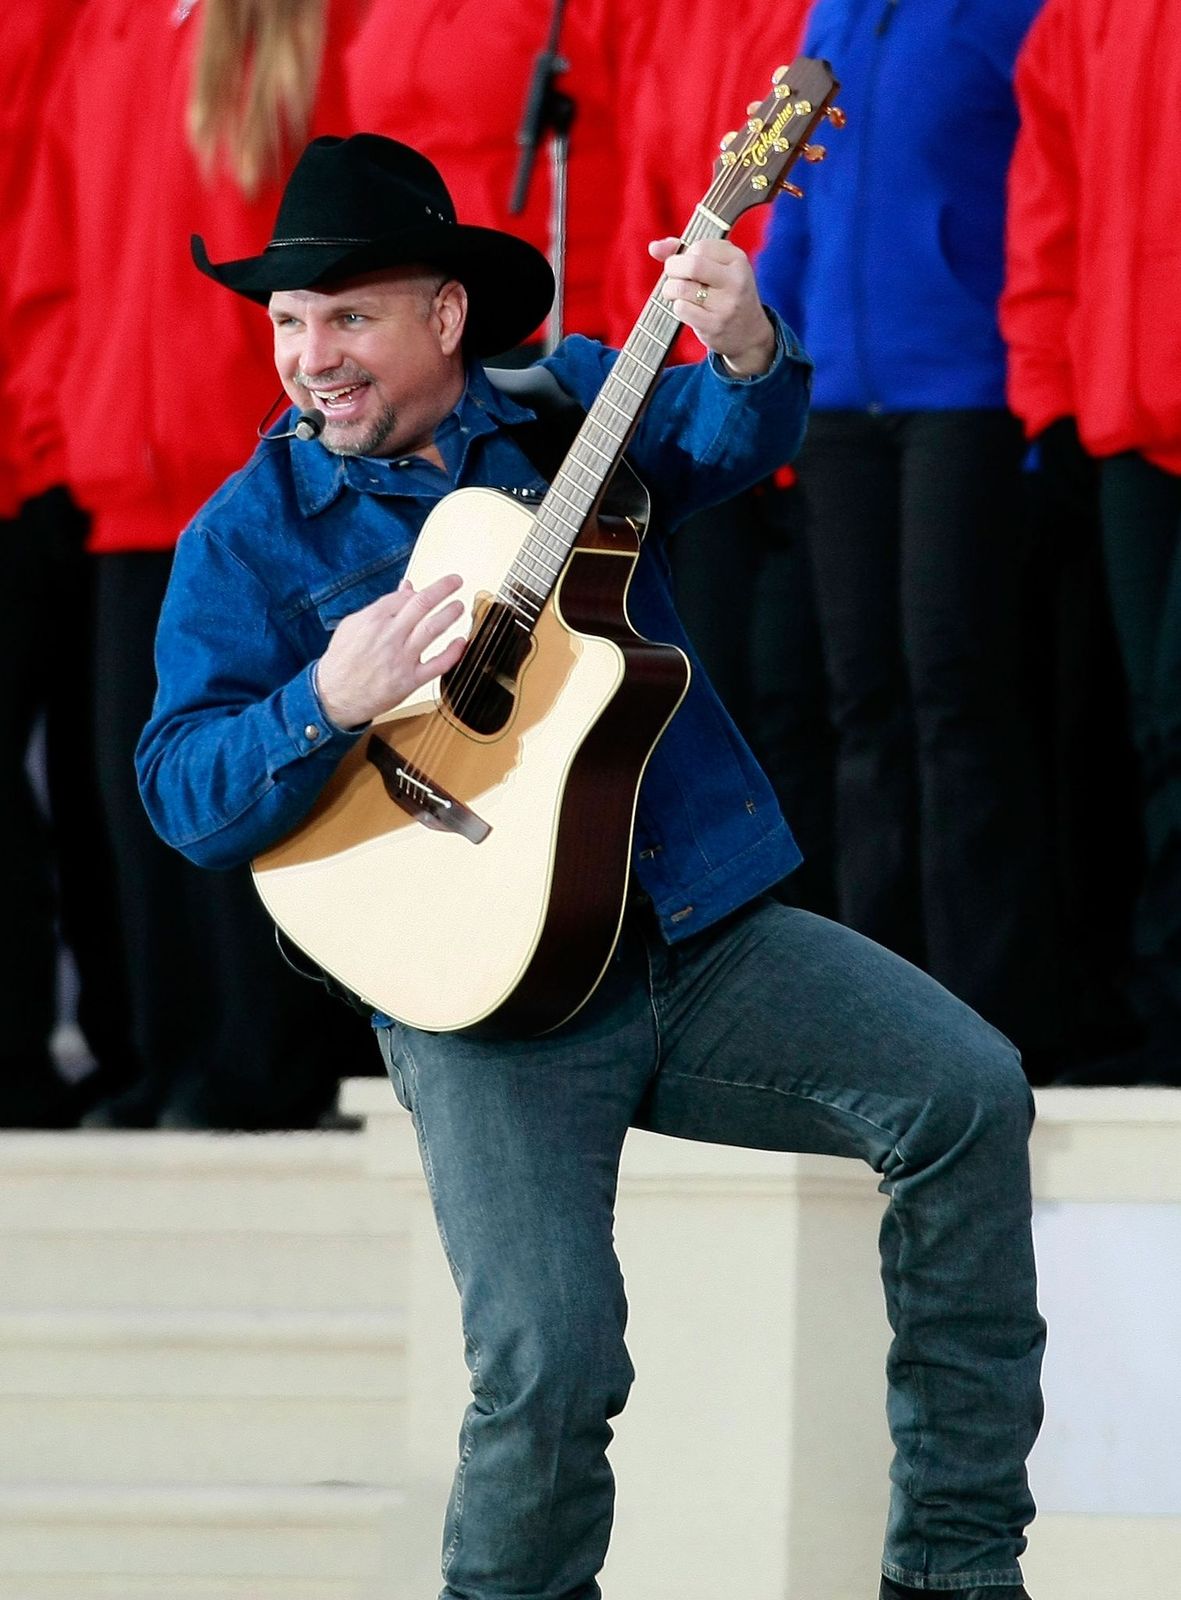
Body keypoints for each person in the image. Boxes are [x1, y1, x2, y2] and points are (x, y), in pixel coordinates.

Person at [136, 133, 1044, 1600]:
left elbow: (733, 432)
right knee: (551, 1365)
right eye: (290, 324)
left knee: (965, 1094)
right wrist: (325, 700)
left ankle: (952, 1574)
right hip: (476, 990)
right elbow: (181, 791)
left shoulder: (569, 416)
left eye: (349, 318)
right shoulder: (245, 539)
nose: (313, 359)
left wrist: (743, 333)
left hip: (693, 927)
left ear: (446, 317)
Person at [8, 0, 376, 1128]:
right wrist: (71, 423)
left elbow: (349, 252)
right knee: (148, 792)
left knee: (271, 777)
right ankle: (172, 1055)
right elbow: (60, 257)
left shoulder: (310, 29)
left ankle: (269, 1059)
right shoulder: (111, 34)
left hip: (257, 475)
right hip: (126, 485)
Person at [753, 0, 1062, 1074]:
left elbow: (1040, 184)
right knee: (865, 708)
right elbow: (785, 198)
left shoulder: (1010, 14)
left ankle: (987, 1011)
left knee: (952, 695)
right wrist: (768, 376)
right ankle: (882, 1019)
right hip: (834, 401)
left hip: (966, 396)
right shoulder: (832, 14)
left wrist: (1038, 376)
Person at [1001, 0, 1181, 1077]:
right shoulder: (1079, 16)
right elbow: (1046, 203)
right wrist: (1051, 394)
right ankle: (1160, 1018)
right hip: (1123, 423)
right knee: (1150, 729)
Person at [0, 0, 139, 1127]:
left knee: (104, 771)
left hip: (57, 449)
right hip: (76, 433)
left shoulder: (69, 22)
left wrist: (53, 428)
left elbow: (56, 227)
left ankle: (112, 1039)